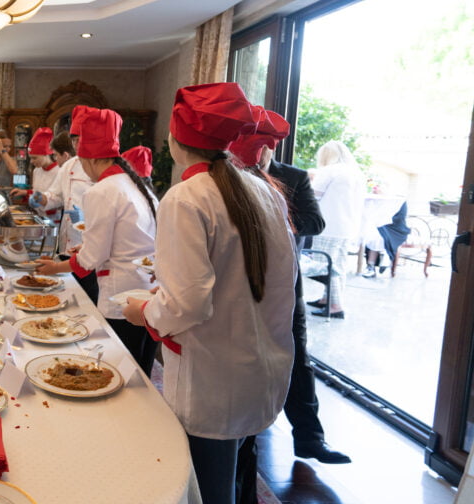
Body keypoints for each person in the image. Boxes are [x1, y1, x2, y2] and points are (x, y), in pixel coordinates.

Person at [123, 83, 296, 504]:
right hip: (258, 362)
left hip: (213, 377)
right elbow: (280, 280)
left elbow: (189, 303)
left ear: (174, 139)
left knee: (207, 485)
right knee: (232, 472)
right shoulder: (262, 190)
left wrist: (145, 311)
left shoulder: (186, 198)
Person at [228, 106, 349, 504]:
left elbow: (316, 223)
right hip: (238, 282)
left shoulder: (294, 178)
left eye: (265, 148)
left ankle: (310, 438)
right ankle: (246, 427)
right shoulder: (228, 176)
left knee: (298, 354)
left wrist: (273, 213)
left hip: (284, 281)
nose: (258, 154)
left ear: (273, 148)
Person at [36, 107, 159, 375]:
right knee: (142, 372)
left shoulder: (102, 190)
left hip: (122, 296)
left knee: (123, 374)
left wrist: (55, 268)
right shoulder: (133, 183)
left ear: (87, 156)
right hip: (146, 292)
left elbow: (90, 260)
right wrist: (88, 247)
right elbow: (127, 239)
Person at [32, 109, 97, 302]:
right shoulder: (68, 166)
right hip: (67, 242)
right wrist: (42, 198)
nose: (77, 143)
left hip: (90, 243)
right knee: (69, 295)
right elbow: (56, 196)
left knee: (88, 296)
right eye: (74, 139)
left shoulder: (100, 167)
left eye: (79, 139)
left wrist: (84, 220)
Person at [307, 140, 366, 319]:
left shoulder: (329, 171)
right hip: (347, 227)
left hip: (329, 226)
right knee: (338, 265)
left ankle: (335, 305)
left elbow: (313, 196)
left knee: (326, 266)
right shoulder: (356, 173)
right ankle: (327, 299)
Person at [10, 127, 59, 205]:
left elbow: (58, 199)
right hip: (37, 211)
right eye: (30, 158)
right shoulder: (36, 171)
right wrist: (25, 192)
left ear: (46, 155)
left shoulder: (59, 171)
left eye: (35, 158)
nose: (31, 161)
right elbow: (36, 192)